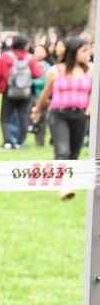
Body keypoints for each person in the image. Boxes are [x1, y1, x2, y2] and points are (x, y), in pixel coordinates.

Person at [32, 37, 93, 198]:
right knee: (62, 150)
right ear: (73, 52)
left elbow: (94, 93)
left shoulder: (90, 70)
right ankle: (64, 186)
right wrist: (37, 109)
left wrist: (89, 109)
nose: (88, 54)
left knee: (74, 153)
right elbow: (46, 93)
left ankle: (68, 182)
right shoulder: (55, 70)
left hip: (80, 115)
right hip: (59, 114)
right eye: (84, 51)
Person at [0, 34, 44, 149]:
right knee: (24, 116)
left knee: (5, 117)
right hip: (25, 92)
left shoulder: (5, 57)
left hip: (8, 91)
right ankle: (19, 141)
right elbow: (38, 74)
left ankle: (8, 141)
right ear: (26, 46)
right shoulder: (30, 58)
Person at [29, 44, 52, 147]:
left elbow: (45, 82)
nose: (37, 53)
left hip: (41, 96)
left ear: (46, 53)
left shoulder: (47, 66)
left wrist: (30, 82)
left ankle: (40, 142)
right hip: (31, 95)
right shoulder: (30, 63)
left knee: (41, 119)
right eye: (36, 51)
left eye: (41, 51)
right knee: (35, 118)